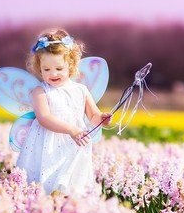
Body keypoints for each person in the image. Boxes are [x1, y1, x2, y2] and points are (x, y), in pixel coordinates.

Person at [16, 29, 112, 196]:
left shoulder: (81, 90)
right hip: (47, 146)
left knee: (72, 187)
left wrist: (102, 119)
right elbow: (44, 118)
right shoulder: (40, 91)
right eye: (46, 69)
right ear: (39, 68)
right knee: (46, 185)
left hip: (74, 145)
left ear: (71, 65)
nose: (53, 74)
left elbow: (93, 116)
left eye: (59, 68)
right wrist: (71, 130)